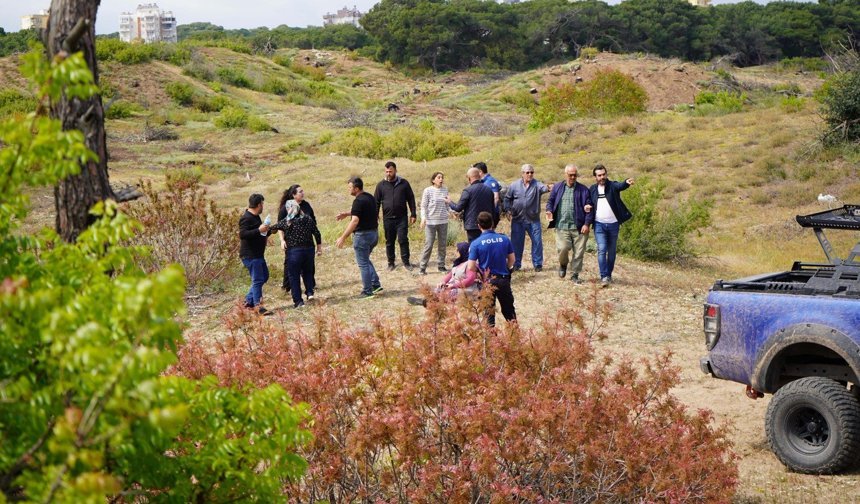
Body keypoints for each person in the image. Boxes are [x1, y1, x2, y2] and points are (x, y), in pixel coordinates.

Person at [545, 164, 594, 284]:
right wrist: (549, 210)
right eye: (570, 175)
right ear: (565, 174)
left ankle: (575, 274)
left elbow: (589, 207)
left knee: (579, 252)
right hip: (561, 226)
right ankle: (563, 264)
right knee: (562, 248)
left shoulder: (583, 190)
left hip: (579, 227)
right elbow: (550, 201)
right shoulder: (558, 187)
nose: (573, 177)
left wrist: (587, 224)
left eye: (575, 175)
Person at [336, 177, 383, 298]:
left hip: (362, 236)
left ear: (356, 188)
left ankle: (367, 291)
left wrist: (343, 237)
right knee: (365, 260)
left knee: (363, 264)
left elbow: (355, 220)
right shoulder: (369, 197)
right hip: (374, 234)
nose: (348, 190)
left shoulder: (358, 201)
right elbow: (362, 211)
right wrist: (347, 214)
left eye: (350, 187)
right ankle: (375, 284)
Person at [468, 211, 516, 327]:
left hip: (487, 281)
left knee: (489, 315)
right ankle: (515, 336)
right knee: (509, 312)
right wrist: (507, 269)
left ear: (478, 225)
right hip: (503, 279)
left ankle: (491, 342)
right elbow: (512, 260)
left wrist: (479, 274)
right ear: (493, 223)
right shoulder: (504, 239)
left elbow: (470, 266)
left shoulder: (476, 244)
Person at [588, 164, 634, 286]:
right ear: (595, 177)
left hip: (613, 225)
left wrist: (626, 182)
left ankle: (608, 274)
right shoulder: (592, 189)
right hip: (599, 225)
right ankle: (604, 276)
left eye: (603, 174)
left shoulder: (612, 186)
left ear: (606, 175)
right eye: (599, 175)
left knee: (612, 252)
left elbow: (620, 185)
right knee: (602, 249)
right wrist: (587, 206)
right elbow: (588, 201)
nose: (602, 177)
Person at [271, 200, 321, 308]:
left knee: (294, 276)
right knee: (308, 272)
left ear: (289, 209)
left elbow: (273, 229)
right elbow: (316, 233)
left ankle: (298, 301)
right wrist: (319, 247)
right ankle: (309, 293)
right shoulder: (307, 218)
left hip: (294, 252)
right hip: (309, 250)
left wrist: (266, 230)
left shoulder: (287, 221)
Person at [504, 164, 550, 272]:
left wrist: (549, 188)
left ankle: (538, 264)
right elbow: (507, 198)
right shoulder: (514, 185)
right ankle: (516, 264)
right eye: (527, 172)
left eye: (532, 172)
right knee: (516, 243)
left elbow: (544, 188)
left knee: (537, 242)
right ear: (522, 173)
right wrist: (508, 210)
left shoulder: (537, 184)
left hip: (533, 220)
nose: (530, 174)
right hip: (517, 219)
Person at [277, 184, 322, 295]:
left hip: (307, 241)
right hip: (291, 242)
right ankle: (287, 286)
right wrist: (282, 241)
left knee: (309, 265)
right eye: (300, 192)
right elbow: (279, 226)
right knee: (289, 264)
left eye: (303, 191)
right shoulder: (286, 208)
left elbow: (313, 221)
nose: (302, 193)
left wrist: (317, 243)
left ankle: (310, 286)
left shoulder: (306, 205)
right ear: (293, 195)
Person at [373, 161, 417, 271]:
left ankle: (406, 262)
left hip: (402, 218)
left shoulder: (404, 183)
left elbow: (411, 199)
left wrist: (413, 213)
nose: (388, 173)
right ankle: (391, 263)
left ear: (395, 171)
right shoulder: (381, 185)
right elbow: (376, 202)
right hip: (387, 219)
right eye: (386, 171)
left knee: (403, 239)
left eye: (390, 171)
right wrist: (375, 214)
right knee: (389, 241)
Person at [407, 241, 480, 306]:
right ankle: (426, 300)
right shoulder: (459, 263)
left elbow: (470, 280)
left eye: (457, 250)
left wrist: (453, 285)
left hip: (467, 289)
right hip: (456, 286)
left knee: (449, 293)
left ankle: (427, 302)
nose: (455, 252)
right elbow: (450, 274)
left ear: (461, 251)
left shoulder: (470, 264)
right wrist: (443, 282)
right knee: (439, 289)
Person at [238, 193, 272, 315]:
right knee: (257, 280)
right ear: (259, 205)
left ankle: (248, 301)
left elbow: (259, 232)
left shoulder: (256, 216)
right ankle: (258, 307)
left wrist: (267, 232)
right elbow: (243, 234)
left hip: (258, 254)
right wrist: (259, 230)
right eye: (262, 204)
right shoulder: (246, 218)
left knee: (264, 276)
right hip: (250, 255)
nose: (263, 206)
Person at [447, 167, 495, 243]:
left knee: (474, 248)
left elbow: (458, 208)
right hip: (487, 225)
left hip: (472, 226)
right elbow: (493, 208)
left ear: (469, 178)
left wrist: (449, 202)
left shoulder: (468, 191)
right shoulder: (489, 190)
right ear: (479, 176)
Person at [418, 171, 449, 275]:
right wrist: (423, 218)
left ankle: (441, 266)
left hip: (443, 221)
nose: (441, 179)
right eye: (439, 177)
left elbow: (447, 205)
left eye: (442, 177)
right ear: (433, 180)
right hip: (431, 222)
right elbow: (423, 206)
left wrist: (451, 212)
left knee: (442, 245)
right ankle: (422, 267)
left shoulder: (445, 190)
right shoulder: (428, 191)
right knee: (429, 244)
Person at [473, 161, 502, 227]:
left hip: (490, 214)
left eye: (475, 172)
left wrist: (490, 213)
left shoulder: (490, 182)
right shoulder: (483, 182)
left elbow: (496, 198)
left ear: (480, 172)